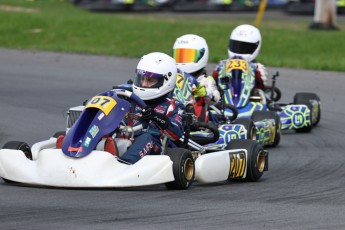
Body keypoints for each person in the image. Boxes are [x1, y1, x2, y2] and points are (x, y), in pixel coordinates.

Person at [119, 52, 185, 164]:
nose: (144, 84)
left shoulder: (173, 105)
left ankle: (124, 165)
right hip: (126, 140)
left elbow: (176, 134)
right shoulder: (130, 98)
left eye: (150, 80)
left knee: (147, 136)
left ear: (165, 81)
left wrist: (156, 117)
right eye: (142, 78)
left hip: (156, 149)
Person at [172, 34, 220, 122]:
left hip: (197, 122)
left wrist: (205, 92)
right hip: (174, 116)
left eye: (187, 56)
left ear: (201, 55)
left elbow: (215, 98)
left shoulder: (205, 80)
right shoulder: (172, 78)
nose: (182, 60)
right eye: (180, 56)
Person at [212, 24, 268, 91]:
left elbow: (262, 85)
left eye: (245, 48)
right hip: (225, 96)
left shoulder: (257, 67)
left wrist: (257, 77)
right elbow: (212, 83)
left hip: (249, 97)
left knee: (260, 92)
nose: (239, 50)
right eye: (236, 46)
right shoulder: (222, 64)